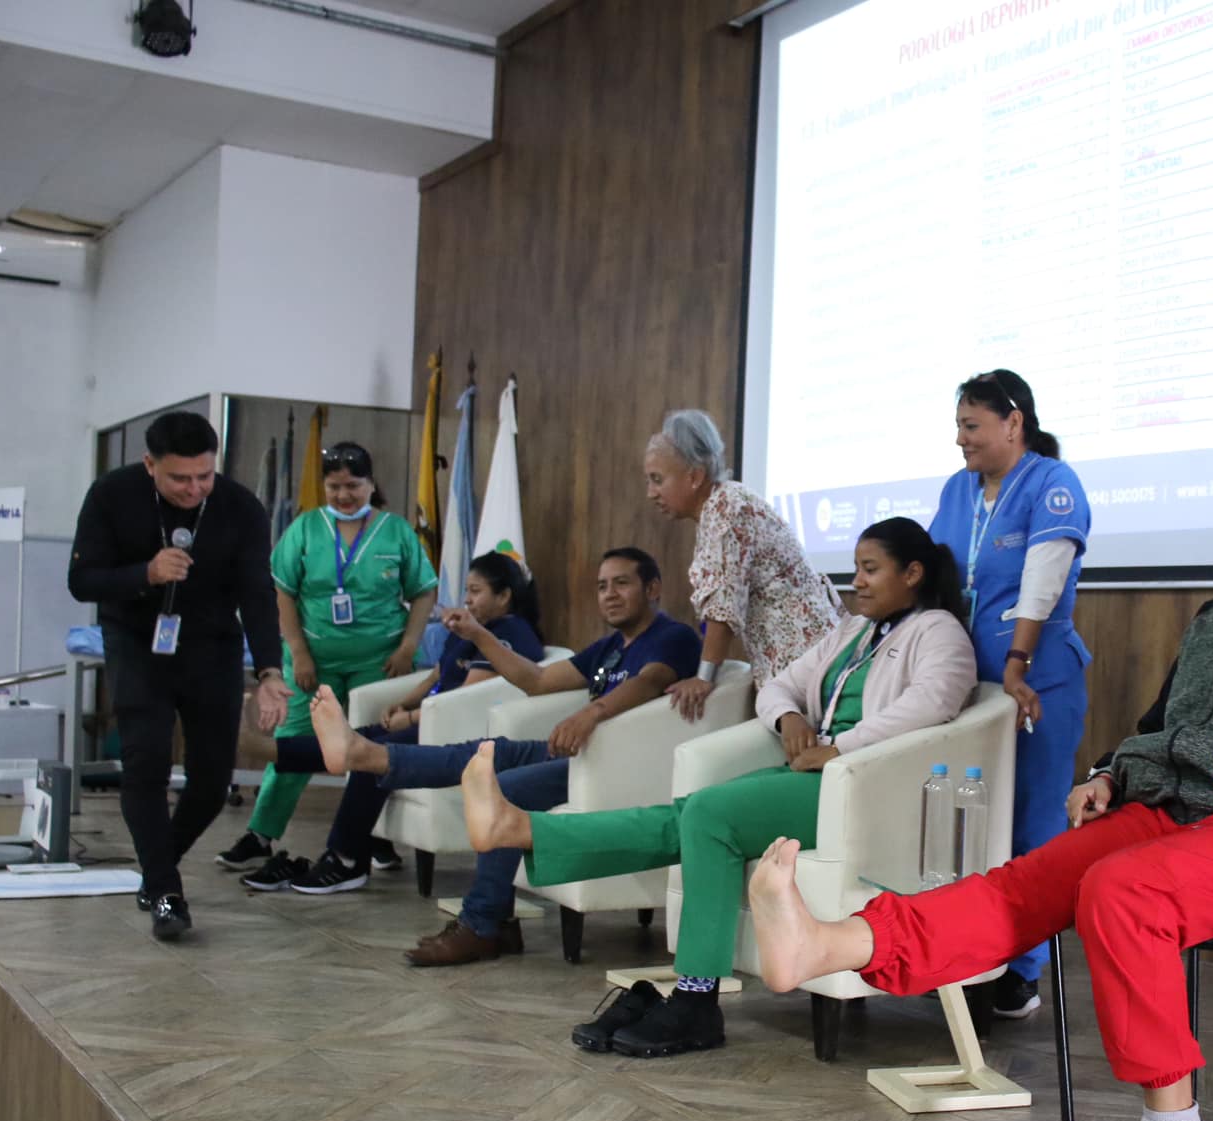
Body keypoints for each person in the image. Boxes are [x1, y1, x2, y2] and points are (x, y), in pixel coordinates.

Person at [737, 454, 1213, 1121]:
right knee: (1028, 879)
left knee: (1121, 893)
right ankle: (828, 945)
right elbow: (1163, 728)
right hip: (1172, 811)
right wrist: (1109, 776)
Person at [454, 518, 977, 1058]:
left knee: (705, 814)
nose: (857, 582)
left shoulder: (938, 631)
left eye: (871, 570)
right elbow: (779, 686)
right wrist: (790, 720)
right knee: (688, 817)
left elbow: (932, 704)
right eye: (858, 569)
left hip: (860, 786)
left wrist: (842, 748)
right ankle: (521, 830)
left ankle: (696, 994)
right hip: (811, 773)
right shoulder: (853, 631)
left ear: (912, 573)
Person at [301, 548, 703, 965]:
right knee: (483, 756)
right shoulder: (609, 647)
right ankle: (366, 754)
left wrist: (591, 712)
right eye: (602, 586)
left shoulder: (673, 636)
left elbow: (652, 680)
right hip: (579, 759)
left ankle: (483, 924)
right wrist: (478, 634)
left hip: (613, 768)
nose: (610, 594)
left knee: (501, 790)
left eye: (622, 583)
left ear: (652, 588)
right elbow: (538, 679)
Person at [67, 412, 289, 940]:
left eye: (203, 477)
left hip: (211, 646)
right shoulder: (111, 495)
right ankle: (167, 892)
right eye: (179, 479)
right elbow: (82, 580)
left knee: (212, 782)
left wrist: (269, 669)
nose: (193, 489)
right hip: (137, 642)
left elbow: (257, 593)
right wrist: (144, 573)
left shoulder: (239, 508)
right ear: (150, 465)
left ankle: (155, 867)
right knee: (144, 760)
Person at [931, 369, 1091, 1020]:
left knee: (1033, 825)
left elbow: (1043, 580)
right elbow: (939, 575)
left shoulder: (1053, 485)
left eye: (972, 426)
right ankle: (971, 949)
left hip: (1038, 685)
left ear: (1013, 422)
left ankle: (1023, 971)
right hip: (969, 686)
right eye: (959, 426)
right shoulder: (956, 489)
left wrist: (1018, 662)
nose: (961, 440)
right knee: (968, 819)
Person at [246, 551, 546, 894]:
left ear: (504, 595)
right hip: (431, 719)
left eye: (476, 591)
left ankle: (346, 859)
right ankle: (285, 756)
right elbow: (438, 675)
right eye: (466, 589)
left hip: (457, 733)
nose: (466, 599)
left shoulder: (509, 634)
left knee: (371, 752)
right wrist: (402, 703)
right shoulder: (472, 630)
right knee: (356, 741)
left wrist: (413, 716)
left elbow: (466, 698)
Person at [216, 442, 439, 888]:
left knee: (373, 747)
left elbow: (424, 591)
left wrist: (409, 644)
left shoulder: (396, 533)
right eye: (334, 486)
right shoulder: (304, 529)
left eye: (353, 486)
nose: (343, 495)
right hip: (312, 661)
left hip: (382, 663)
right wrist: (297, 651)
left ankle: (372, 837)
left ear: (372, 485)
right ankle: (262, 834)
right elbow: (281, 592)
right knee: (293, 740)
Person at [644, 409, 840, 718]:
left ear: (694, 476)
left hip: (811, 665)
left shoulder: (726, 511)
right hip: (800, 665)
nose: (651, 493)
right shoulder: (718, 507)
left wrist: (703, 678)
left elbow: (723, 605)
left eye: (657, 480)